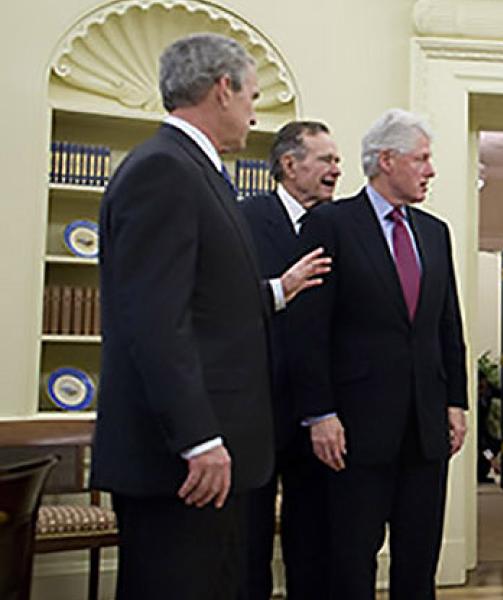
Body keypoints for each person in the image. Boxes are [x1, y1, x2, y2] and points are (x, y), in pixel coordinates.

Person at [91, 33, 329, 600]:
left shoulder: (198, 169)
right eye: (252, 95)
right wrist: (198, 439)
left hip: (215, 459)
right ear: (223, 89)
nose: (253, 111)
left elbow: (204, 299)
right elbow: (154, 321)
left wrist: (276, 290)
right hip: (183, 465)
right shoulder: (163, 171)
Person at [287, 108, 468, 599]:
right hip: (354, 430)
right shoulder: (330, 223)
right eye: (422, 158)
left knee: (418, 559)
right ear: (386, 160)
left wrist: (456, 401)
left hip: (426, 428)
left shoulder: (435, 232)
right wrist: (320, 413)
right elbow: (309, 331)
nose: (430, 170)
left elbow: (447, 325)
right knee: (350, 561)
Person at [238, 120, 341, 600]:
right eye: (326, 160)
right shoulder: (243, 219)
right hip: (255, 409)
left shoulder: (340, 225)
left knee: (316, 542)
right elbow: (227, 306)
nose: (336, 170)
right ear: (289, 164)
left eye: (337, 161)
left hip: (319, 413)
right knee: (247, 542)